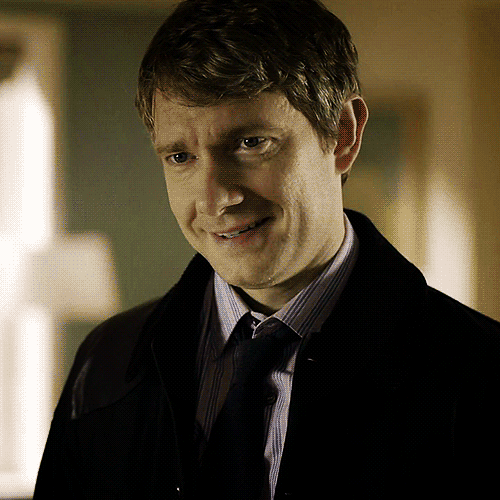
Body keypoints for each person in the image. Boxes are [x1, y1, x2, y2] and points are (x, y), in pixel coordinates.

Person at [34, 0, 500, 498]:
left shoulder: (485, 378)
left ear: (343, 134)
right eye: (181, 156)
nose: (215, 199)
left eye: (251, 143)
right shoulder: (103, 366)